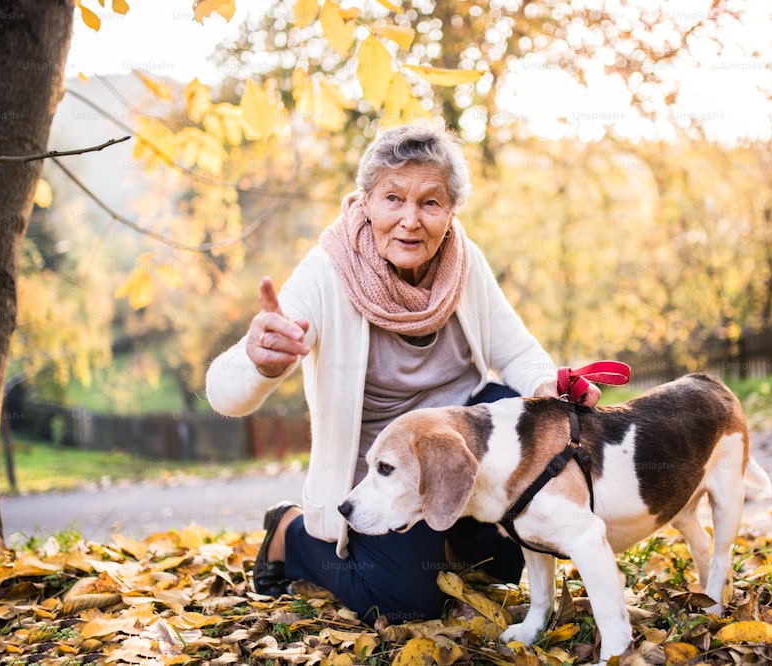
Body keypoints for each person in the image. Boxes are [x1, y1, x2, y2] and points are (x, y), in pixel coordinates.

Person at [205, 120, 600, 624]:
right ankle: (293, 535)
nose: (411, 220)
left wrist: (549, 385)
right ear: (366, 201)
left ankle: (447, 538)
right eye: (394, 198)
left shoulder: (462, 261)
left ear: (451, 211)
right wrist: (260, 362)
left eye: (430, 203)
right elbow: (225, 393)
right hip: (380, 462)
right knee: (408, 602)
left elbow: (518, 353)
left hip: (457, 446)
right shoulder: (329, 271)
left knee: (506, 558)